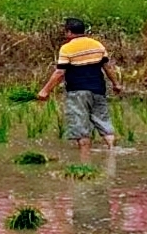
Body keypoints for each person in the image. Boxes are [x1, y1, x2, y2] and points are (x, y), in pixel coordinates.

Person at [35, 18, 120, 155]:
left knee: (81, 128)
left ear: (69, 32)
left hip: (77, 91)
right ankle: (111, 156)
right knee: (104, 122)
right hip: (98, 89)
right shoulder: (97, 45)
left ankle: (84, 163)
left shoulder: (67, 48)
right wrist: (116, 84)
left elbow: (60, 72)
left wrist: (45, 91)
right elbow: (107, 67)